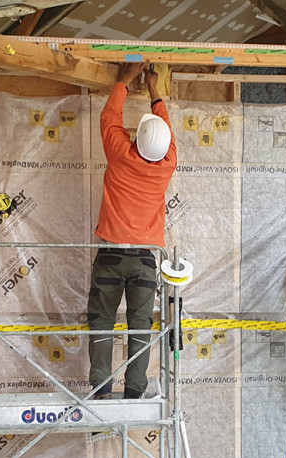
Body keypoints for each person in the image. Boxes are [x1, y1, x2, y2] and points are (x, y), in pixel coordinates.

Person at [88, 62, 177, 399]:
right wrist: (155, 89)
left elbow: (109, 118)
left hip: (111, 255)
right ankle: (135, 391)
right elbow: (164, 133)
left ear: (136, 138)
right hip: (144, 260)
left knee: (101, 325)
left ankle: (101, 391)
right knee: (140, 327)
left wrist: (125, 80)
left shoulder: (121, 154)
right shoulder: (168, 164)